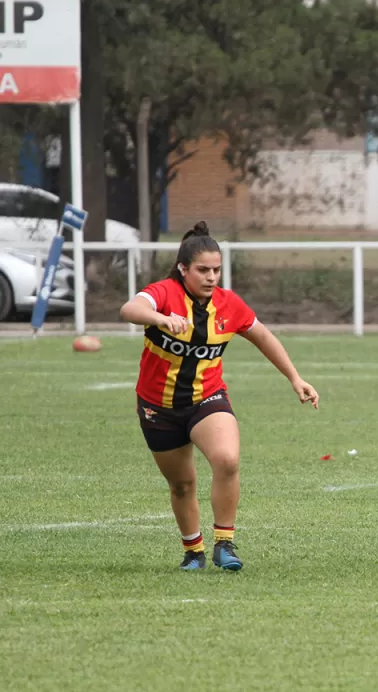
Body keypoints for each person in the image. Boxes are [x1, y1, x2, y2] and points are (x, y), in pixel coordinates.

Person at [117, 222, 320, 572]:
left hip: (206, 399)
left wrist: (295, 377)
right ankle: (193, 551)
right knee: (182, 484)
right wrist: (160, 318)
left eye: (216, 270)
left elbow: (263, 337)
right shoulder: (163, 293)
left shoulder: (229, 305)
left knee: (227, 459)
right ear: (183, 269)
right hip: (157, 407)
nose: (211, 277)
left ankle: (224, 544)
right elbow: (129, 310)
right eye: (203, 270)